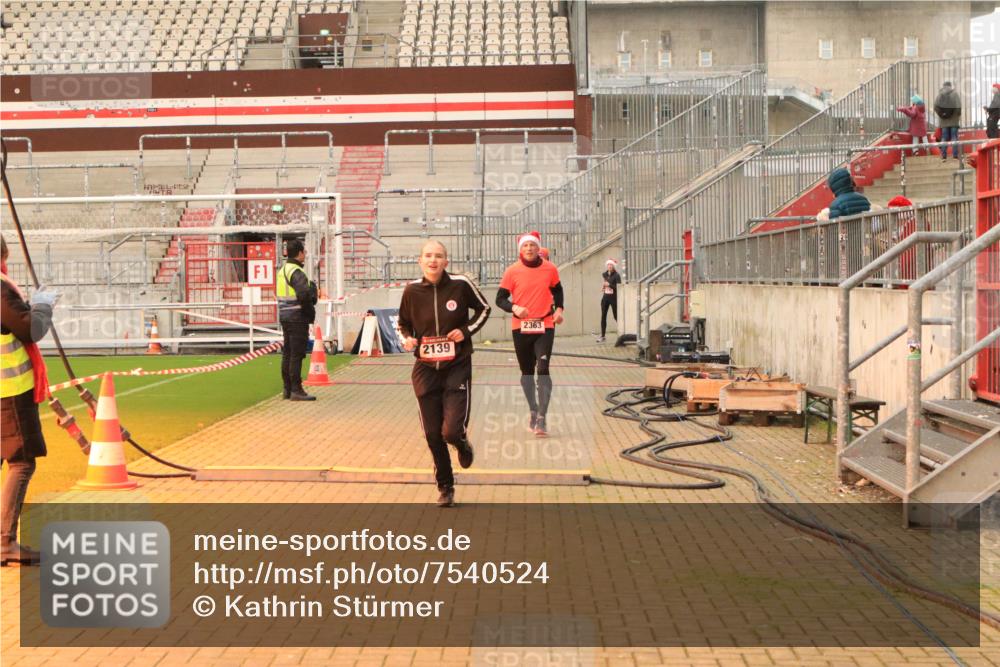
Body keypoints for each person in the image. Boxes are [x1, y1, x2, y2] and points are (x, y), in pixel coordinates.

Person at [398, 240, 491, 508]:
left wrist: (466, 330)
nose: (433, 260)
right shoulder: (412, 291)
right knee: (432, 435)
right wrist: (406, 339)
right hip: (425, 369)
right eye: (428, 256)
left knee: (450, 431)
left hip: (457, 365)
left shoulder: (460, 284)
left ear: (446, 261)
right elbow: (402, 323)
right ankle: (445, 486)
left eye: (438, 256)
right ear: (420, 261)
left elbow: (484, 309)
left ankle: (461, 443)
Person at [1, 235, 57, 567]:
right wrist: (43, 305)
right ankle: (5, 542)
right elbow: (29, 329)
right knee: (21, 462)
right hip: (9, 392)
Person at [496, 232, 564, 437]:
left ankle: (542, 418)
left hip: (545, 325)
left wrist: (559, 309)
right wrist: (514, 308)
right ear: (520, 249)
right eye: (525, 246)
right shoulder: (512, 271)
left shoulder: (550, 269)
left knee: (543, 369)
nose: (529, 249)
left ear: (538, 248)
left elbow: (558, 290)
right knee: (527, 372)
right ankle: (533, 410)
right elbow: (500, 299)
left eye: (532, 245)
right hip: (521, 327)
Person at [275, 238, 318, 401]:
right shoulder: (296, 271)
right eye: (304, 252)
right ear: (300, 253)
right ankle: (296, 390)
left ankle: (287, 389)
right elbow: (304, 295)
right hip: (297, 317)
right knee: (296, 354)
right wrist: (310, 312)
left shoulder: (282, 270)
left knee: (287, 353)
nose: (305, 255)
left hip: (285, 316)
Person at [933, 81, 963, 162]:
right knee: (954, 137)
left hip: (943, 121)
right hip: (954, 121)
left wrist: (942, 115)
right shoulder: (955, 94)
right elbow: (958, 106)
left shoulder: (940, 95)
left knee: (944, 137)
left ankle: (944, 156)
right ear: (950, 86)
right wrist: (956, 116)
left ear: (943, 86)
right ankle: (955, 155)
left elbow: (935, 106)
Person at [598, 259, 621, 343]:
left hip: (613, 299)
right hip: (605, 298)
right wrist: (604, 287)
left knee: (616, 316)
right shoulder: (605, 275)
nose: (610, 266)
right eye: (608, 265)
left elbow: (618, 288)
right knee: (603, 316)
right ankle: (603, 335)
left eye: (611, 265)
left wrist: (609, 285)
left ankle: (622, 333)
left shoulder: (617, 275)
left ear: (613, 266)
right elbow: (605, 284)